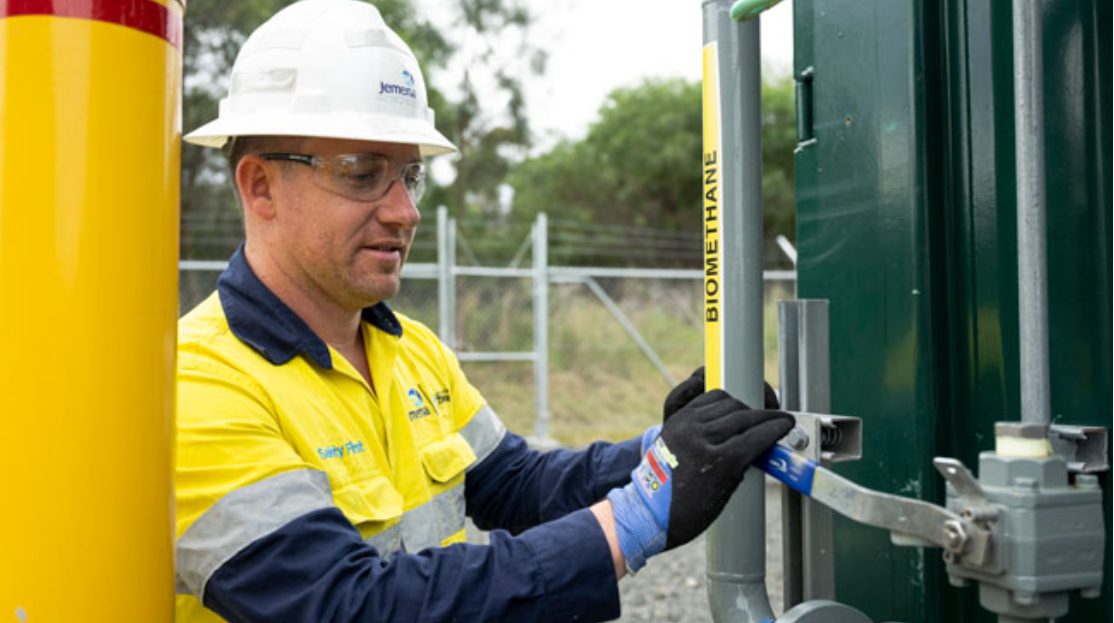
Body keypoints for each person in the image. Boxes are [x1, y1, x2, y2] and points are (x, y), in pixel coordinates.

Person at [174, 1, 794, 622]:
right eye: (362, 174)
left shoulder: (412, 351)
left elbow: (516, 484)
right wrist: (638, 515)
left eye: (409, 176)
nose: (405, 212)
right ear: (260, 186)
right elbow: (352, 606)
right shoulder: (194, 387)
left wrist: (667, 451)